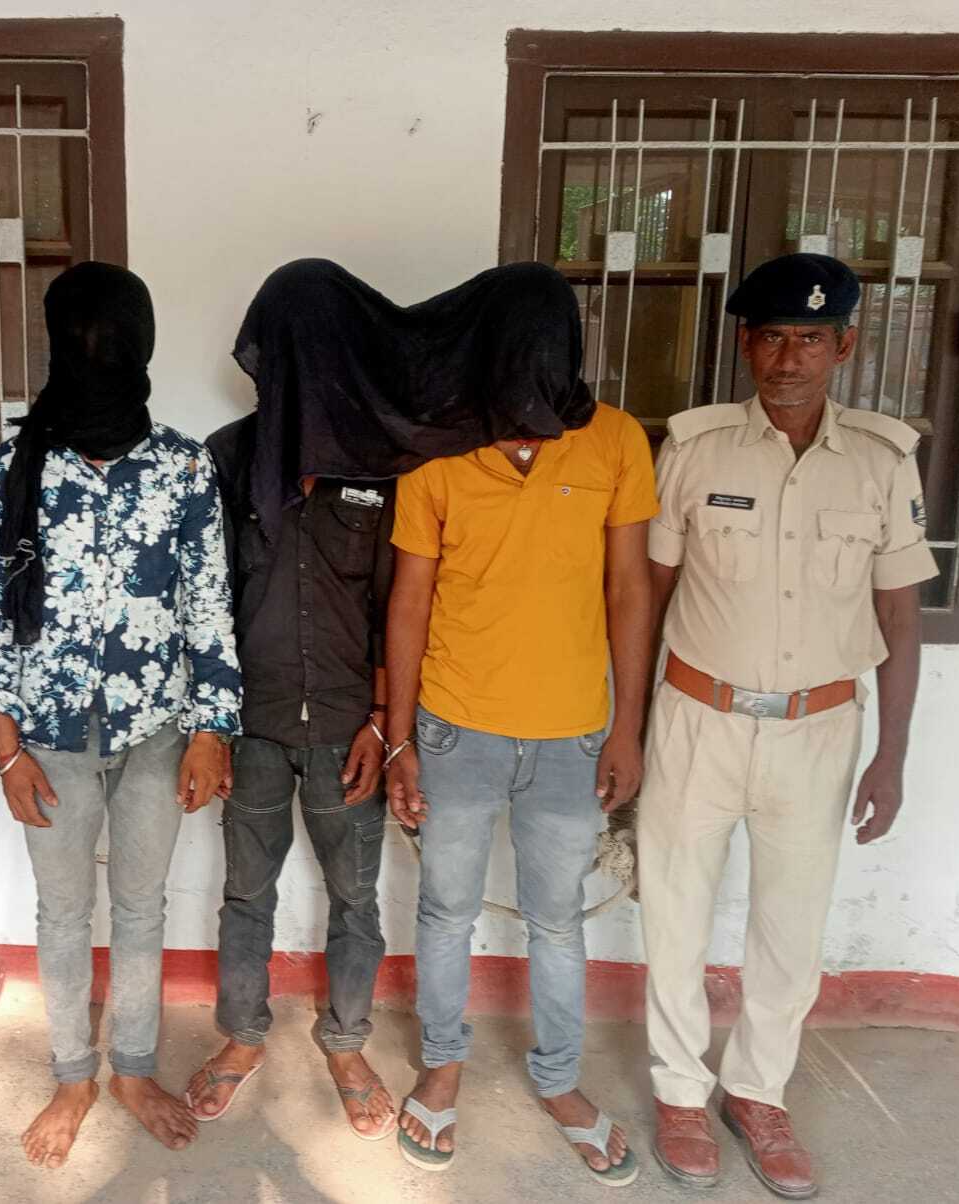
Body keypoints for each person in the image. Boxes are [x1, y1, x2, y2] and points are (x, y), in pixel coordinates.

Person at [641, 253, 937, 1200]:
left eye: (811, 339)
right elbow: (647, 596)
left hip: (818, 729)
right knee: (675, 913)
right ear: (745, 345)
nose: (789, 358)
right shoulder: (694, 449)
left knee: (790, 926)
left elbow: (899, 616)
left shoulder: (883, 461)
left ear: (844, 347)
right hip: (696, 716)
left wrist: (891, 756)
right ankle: (680, 1092)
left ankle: (758, 1092)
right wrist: (627, 729)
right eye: (772, 337)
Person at [384, 264, 656, 1184]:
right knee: (445, 911)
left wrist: (627, 728)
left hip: (573, 735)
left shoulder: (615, 440)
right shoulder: (438, 452)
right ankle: (442, 1065)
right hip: (455, 727)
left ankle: (561, 1080)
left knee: (558, 922)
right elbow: (409, 600)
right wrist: (400, 736)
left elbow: (629, 588)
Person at [0, 261, 242, 1169]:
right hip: (48, 740)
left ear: (144, 348)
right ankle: (72, 1076)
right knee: (61, 911)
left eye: (114, 342)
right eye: (80, 340)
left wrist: (210, 731)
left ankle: (131, 1068)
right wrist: (7, 751)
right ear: (54, 346)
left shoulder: (183, 468)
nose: (97, 356)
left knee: (139, 907)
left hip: (157, 733)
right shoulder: (13, 469)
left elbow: (209, 607)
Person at [185, 411, 397, 1138]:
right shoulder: (229, 456)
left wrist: (381, 720)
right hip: (255, 725)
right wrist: (212, 728)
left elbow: (394, 603)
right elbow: (204, 598)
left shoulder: (375, 462)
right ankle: (243, 1037)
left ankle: (346, 1044)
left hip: (348, 729)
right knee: (246, 895)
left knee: (355, 898)